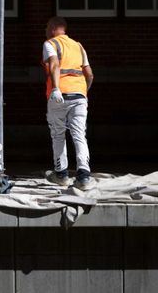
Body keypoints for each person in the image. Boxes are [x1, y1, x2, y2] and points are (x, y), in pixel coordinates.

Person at [42, 16, 95, 190]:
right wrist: (83, 92)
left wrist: (56, 88)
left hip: (60, 95)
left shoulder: (50, 44)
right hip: (79, 95)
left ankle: (62, 175)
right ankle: (84, 178)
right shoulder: (78, 46)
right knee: (79, 134)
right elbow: (89, 74)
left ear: (51, 28)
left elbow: (55, 65)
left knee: (58, 134)